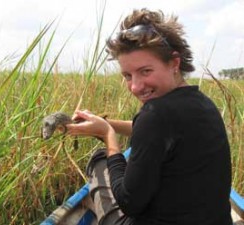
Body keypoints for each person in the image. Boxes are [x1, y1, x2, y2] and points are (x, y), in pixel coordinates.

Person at [66, 8, 232, 225]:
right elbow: (157, 132)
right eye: (127, 75)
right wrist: (107, 123)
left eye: (145, 71)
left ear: (174, 63)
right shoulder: (202, 103)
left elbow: (128, 203)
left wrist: (108, 136)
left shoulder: (155, 115)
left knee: (101, 160)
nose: (135, 86)